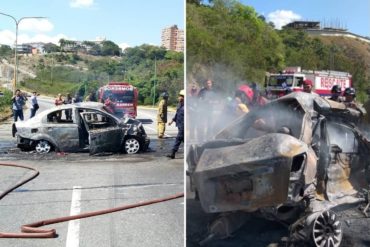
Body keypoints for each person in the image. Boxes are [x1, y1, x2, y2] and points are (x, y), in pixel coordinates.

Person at [166, 89, 184, 159]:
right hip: (179, 125)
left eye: (180, 96)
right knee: (182, 139)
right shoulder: (180, 105)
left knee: (178, 139)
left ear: (184, 97)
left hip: (183, 126)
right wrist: (172, 121)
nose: (179, 97)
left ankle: (173, 153)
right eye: (179, 96)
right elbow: (177, 114)